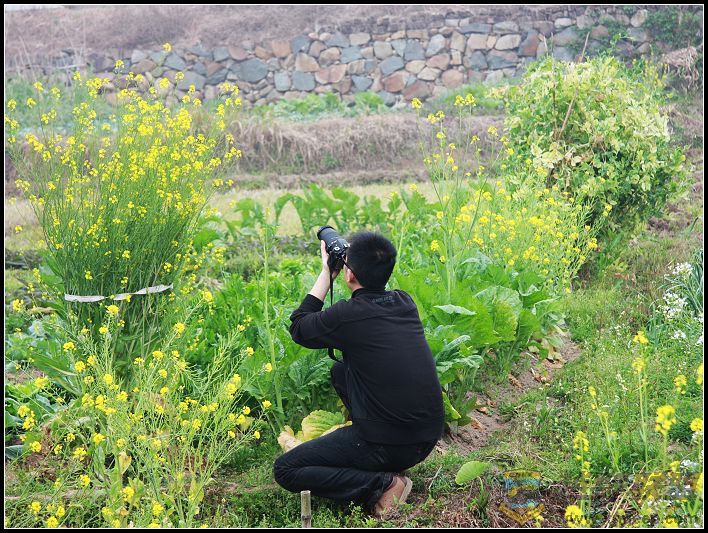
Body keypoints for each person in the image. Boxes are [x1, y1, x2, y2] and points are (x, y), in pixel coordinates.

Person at [273, 230, 445, 518]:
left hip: (392, 444)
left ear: (349, 274)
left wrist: (326, 273)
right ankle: (375, 456)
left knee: (286, 469)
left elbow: (299, 327)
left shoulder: (348, 316)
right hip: (427, 436)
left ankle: (384, 484)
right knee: (341, 371)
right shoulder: (405, 302)